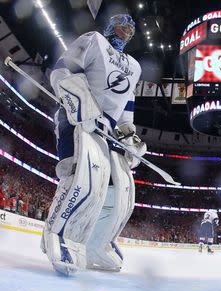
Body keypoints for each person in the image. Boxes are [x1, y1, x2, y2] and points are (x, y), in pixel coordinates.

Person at [41, 14, 146, 275]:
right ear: (111, 27)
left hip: (105, 130)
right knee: (79, 178)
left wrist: (128, 134)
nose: (125, 34)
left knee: (118, 191)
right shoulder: (93, 41)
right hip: (76, 118)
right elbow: (61, 70)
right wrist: (77, 97)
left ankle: (97, 244)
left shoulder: (133, 66)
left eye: (130, 32)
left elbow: (125, 105)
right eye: (121, 28)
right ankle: (60, 235)